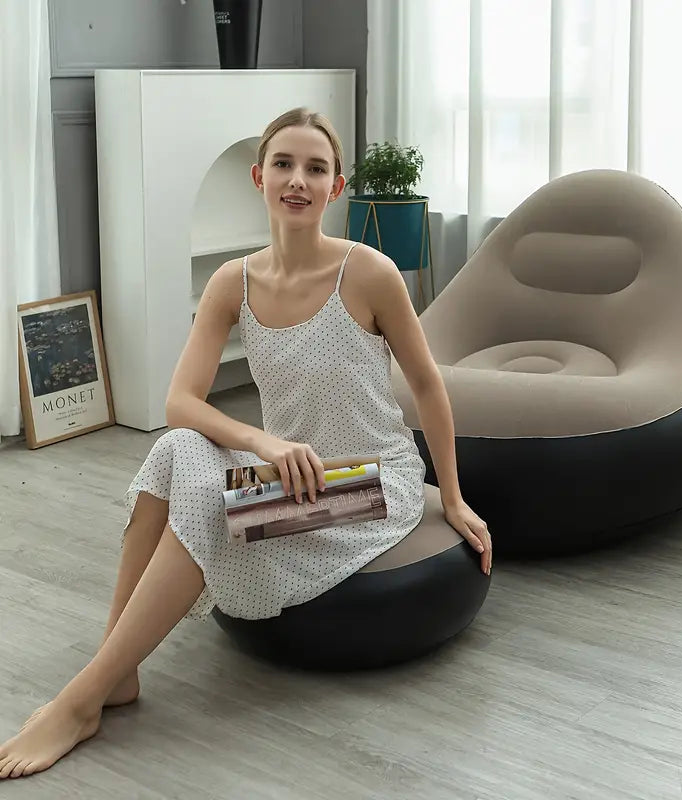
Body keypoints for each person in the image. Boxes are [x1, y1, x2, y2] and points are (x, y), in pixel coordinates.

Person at [0, 107, 492, 780]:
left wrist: (455, 499)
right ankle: (117, 670)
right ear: (260, 178)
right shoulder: (234, 281)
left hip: (372, 480)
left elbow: (430, 389)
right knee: (172, 452)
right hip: (288, 468)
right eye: (284, 165)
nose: (298, 180)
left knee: (213, 507)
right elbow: (180, 403)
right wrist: (259, 441)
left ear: (336, 188)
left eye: (316, 168)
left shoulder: (370, 274)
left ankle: (78, 701)